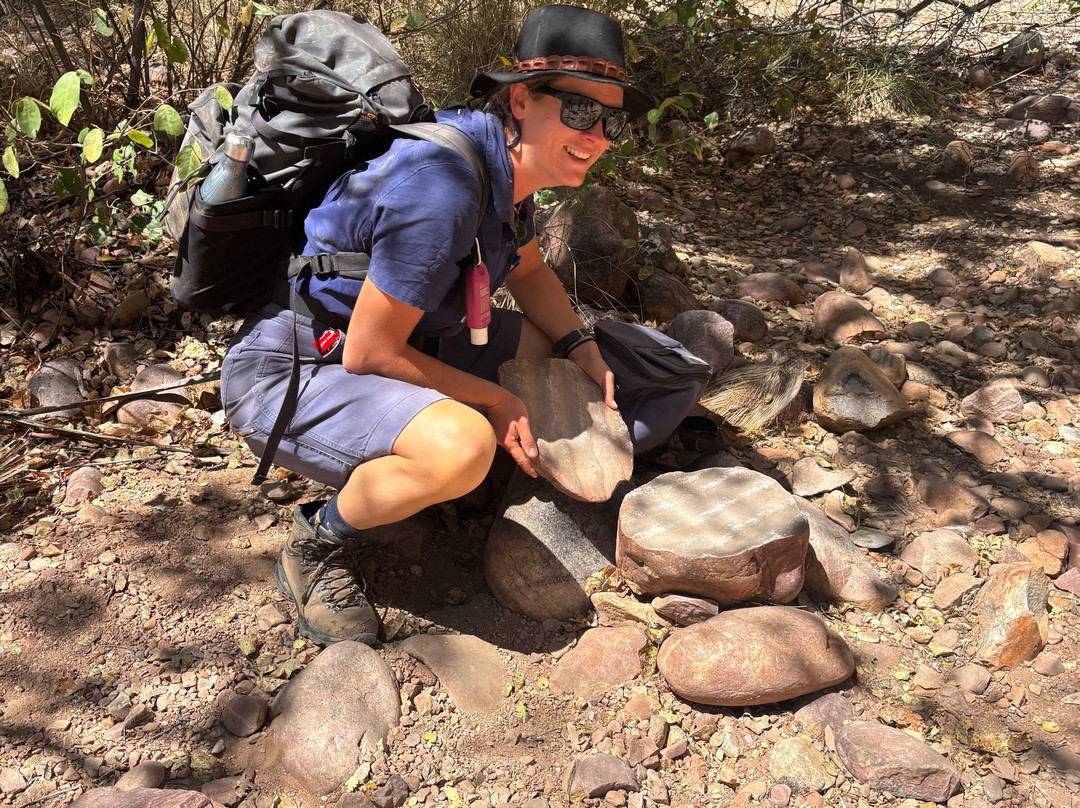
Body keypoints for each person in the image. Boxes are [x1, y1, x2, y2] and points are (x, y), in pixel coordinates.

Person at [220, 4, 653, 646]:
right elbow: (369, 352)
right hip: (297, 369)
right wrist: (496, 401)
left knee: (543, 350)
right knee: (463, 446)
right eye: (581, 110)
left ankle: (456, 479)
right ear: (522, 100)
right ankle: (318, 543)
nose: (597, 135)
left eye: (611, 119)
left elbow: (529, 271)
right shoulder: (444, 187)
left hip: (391, 341)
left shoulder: (503, 164)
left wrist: (579, 343)